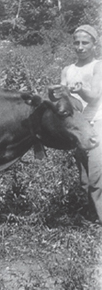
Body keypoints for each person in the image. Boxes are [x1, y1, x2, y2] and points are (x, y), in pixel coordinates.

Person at [61, 24, 102, 224]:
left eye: (85, 43)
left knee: (96, 176)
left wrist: (80, 90)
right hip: (78, 127)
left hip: (97, 123)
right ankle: (91, 216)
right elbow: (63, 102)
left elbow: (94, 96)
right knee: (85, 179)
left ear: (95, 44)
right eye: (76, 42)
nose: (80, 47)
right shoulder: (67, 70)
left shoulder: (98, 66)